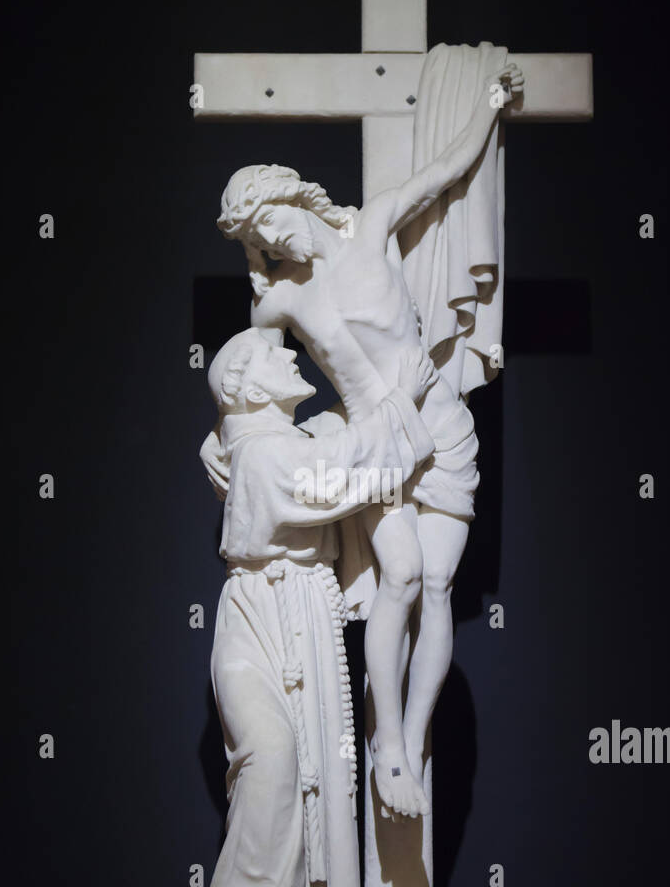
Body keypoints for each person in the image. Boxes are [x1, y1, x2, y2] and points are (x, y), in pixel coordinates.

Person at [215, 62, 523, 817]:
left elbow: (449, 171)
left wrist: (489, 105)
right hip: (375, 442)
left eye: (275, 225)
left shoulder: (376, 221)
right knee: (403, 576)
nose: (279, 242)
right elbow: (238, 371)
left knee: (442, 588)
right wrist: (228, 438)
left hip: (440, 422)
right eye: (263, 240)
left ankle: (412, 743)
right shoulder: (282, 294)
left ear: (293, 195)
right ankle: (387, 740)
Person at [200, 328, 435, 887]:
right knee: (273, 756)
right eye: (275, 354)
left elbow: (328, 439)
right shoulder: (264, 455)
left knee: (311, 772)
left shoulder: (261, 442)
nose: (293, 355)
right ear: (245, 388)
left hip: (298, 609)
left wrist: (375, 403)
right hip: (262, 618)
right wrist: (401, 402)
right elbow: (337, 473)